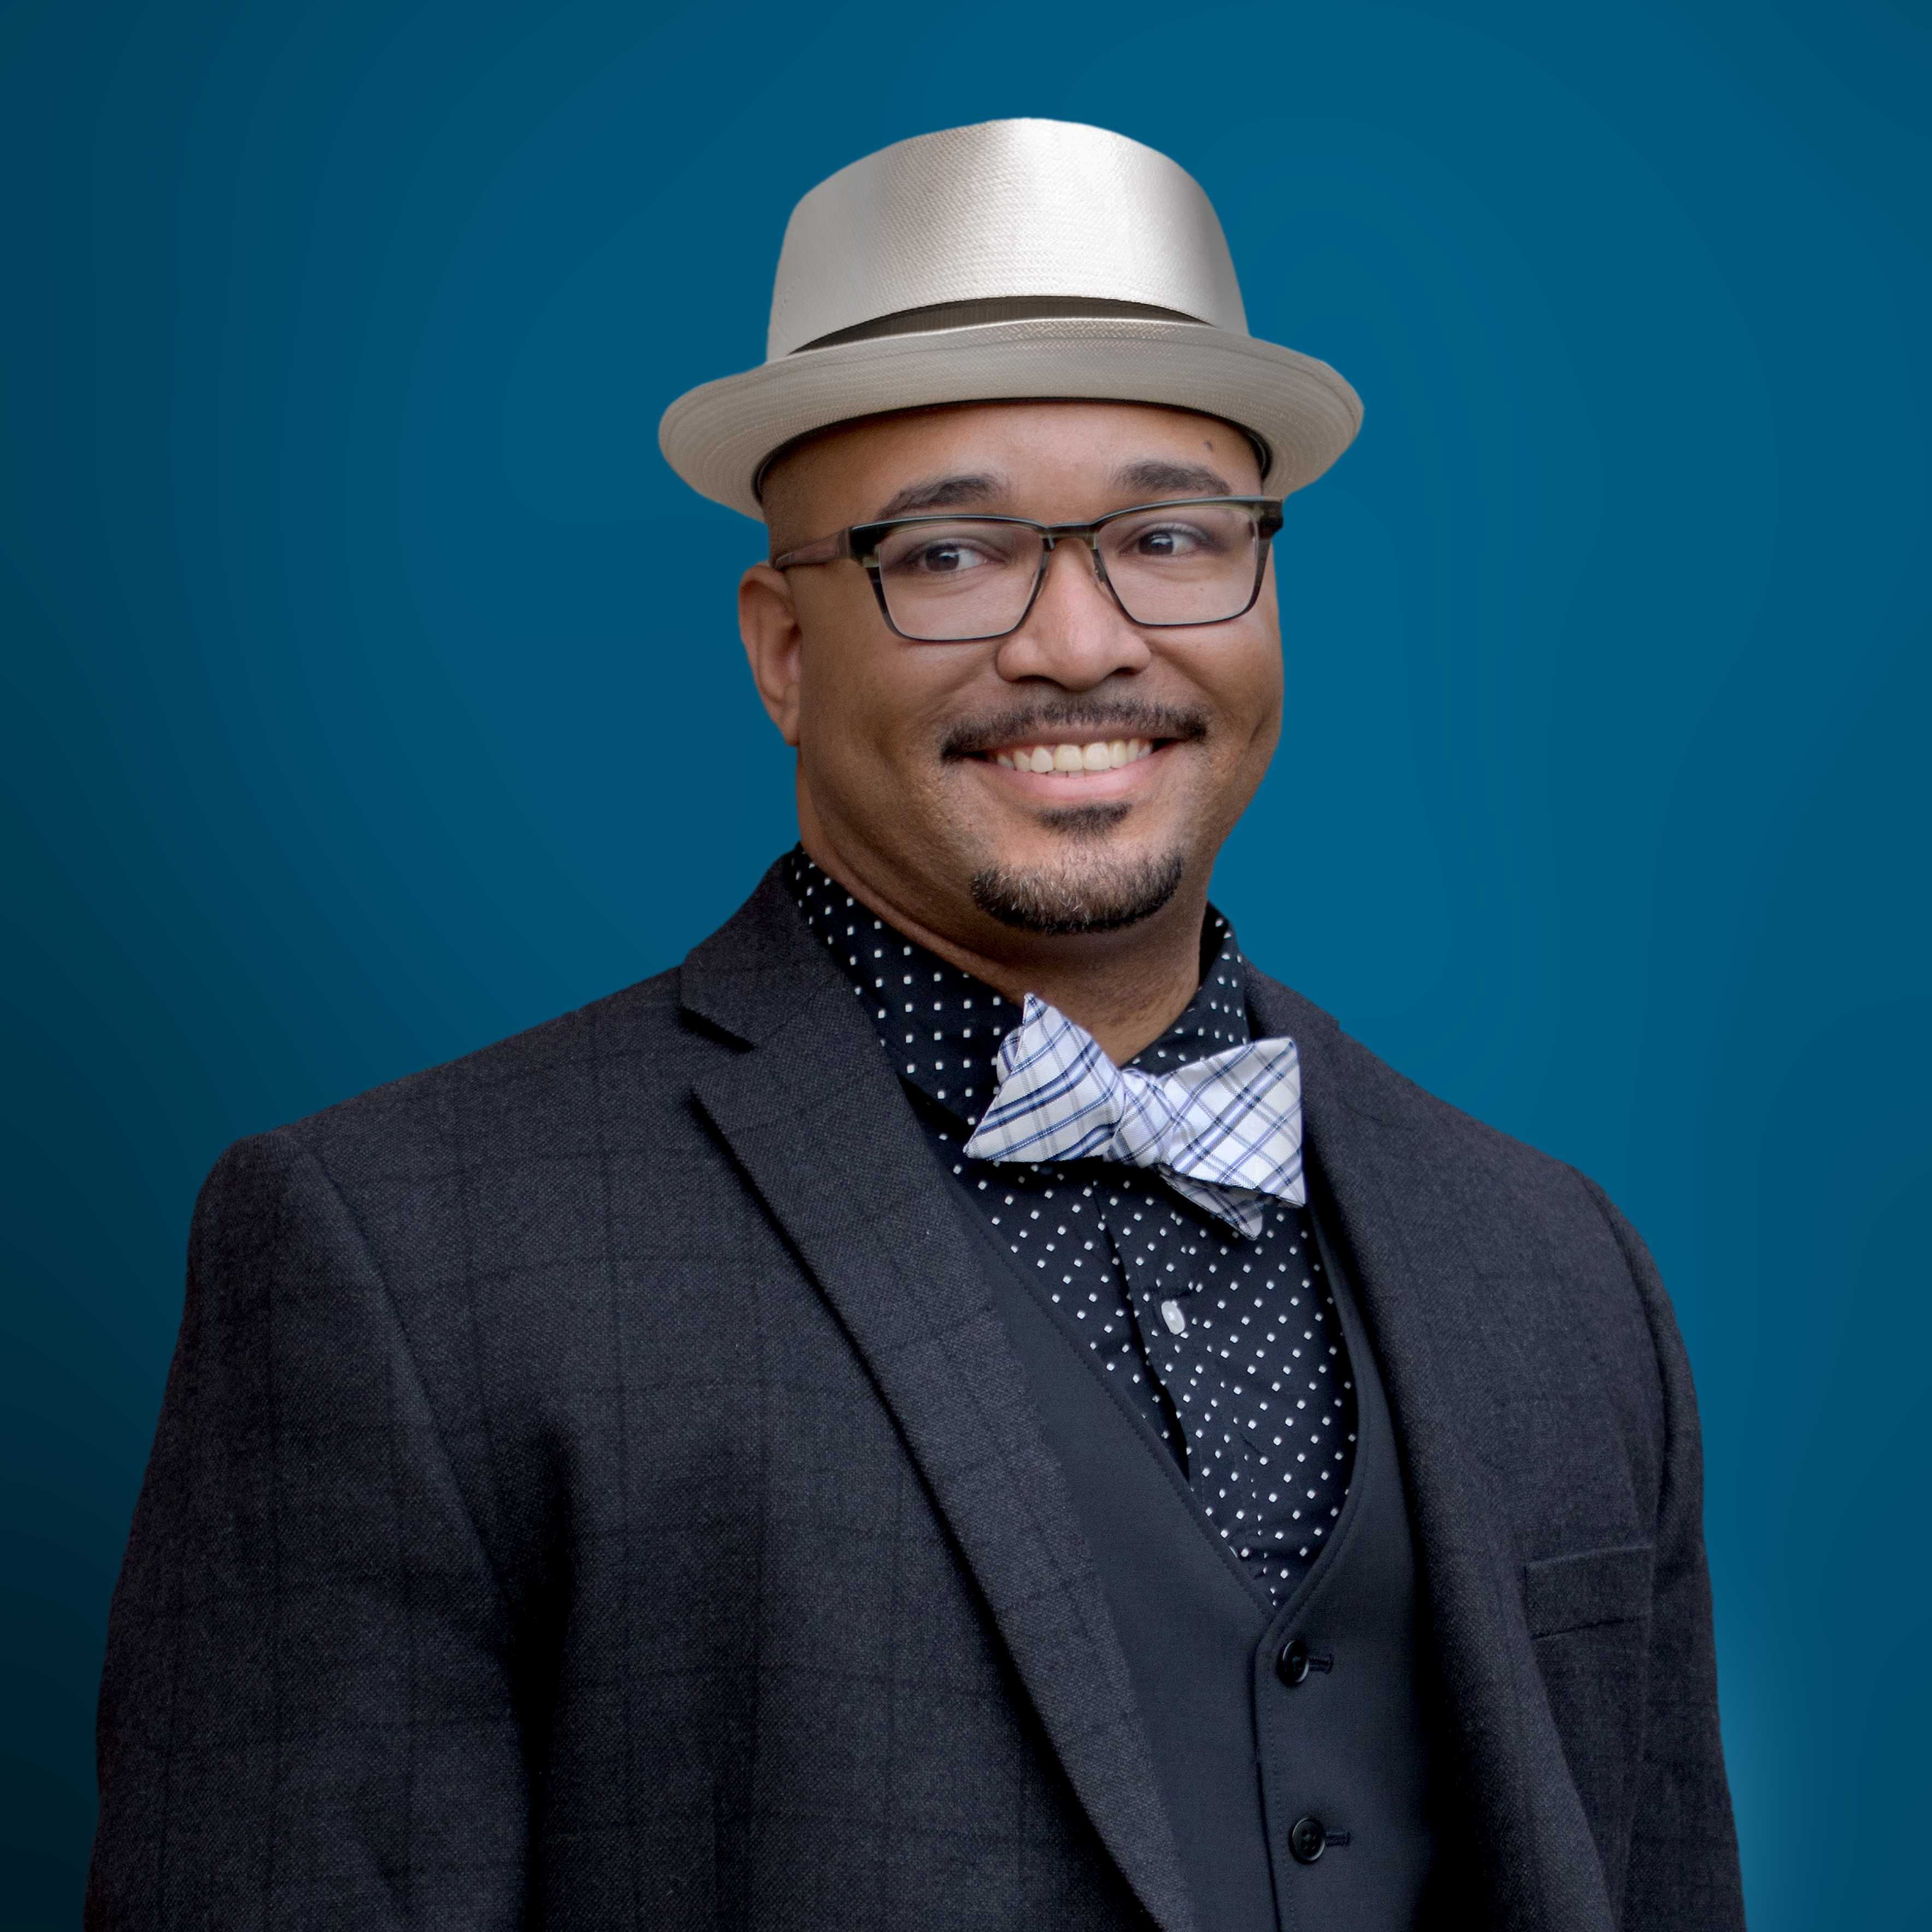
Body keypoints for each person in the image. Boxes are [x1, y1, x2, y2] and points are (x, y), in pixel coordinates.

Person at [88, 119, 1743, 1932]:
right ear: (783, 650)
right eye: (950, 556)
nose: (1080, 643)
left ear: (1269, 592)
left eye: (1170, 536)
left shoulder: (1560, 1266)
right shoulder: (400, 1255)